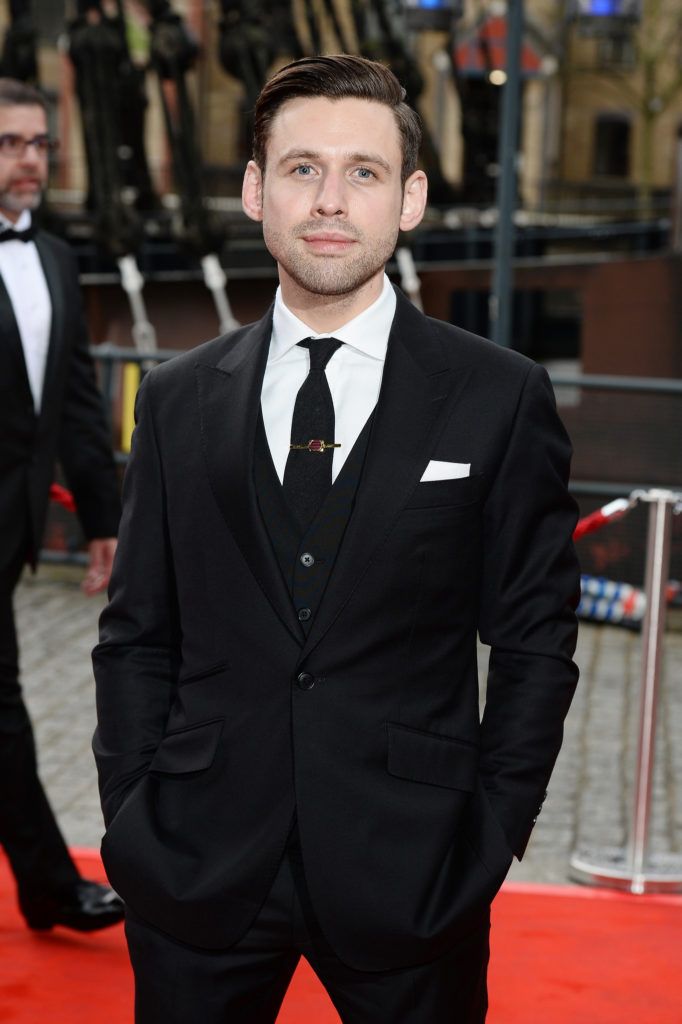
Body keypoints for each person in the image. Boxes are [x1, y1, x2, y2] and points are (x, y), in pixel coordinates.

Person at [93, 55, 579, 1022]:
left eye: (362, 173)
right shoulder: (181, 396)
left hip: (416, 869)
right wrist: (134, 818)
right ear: (254, 193)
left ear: (409, 200)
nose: (329, 200)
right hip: (199, 865)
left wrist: (490, 836)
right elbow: (137, 630)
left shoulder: (497, 393)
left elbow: (535, 639)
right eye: (301, 168)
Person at [0, 77, 124, 932]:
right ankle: (49, 884)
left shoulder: (53, 259)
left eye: (40, 143)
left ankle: (48, 886)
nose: (31, 159)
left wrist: (104, 519)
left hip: (10, 533)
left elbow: (77, 402)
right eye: (11, 142)